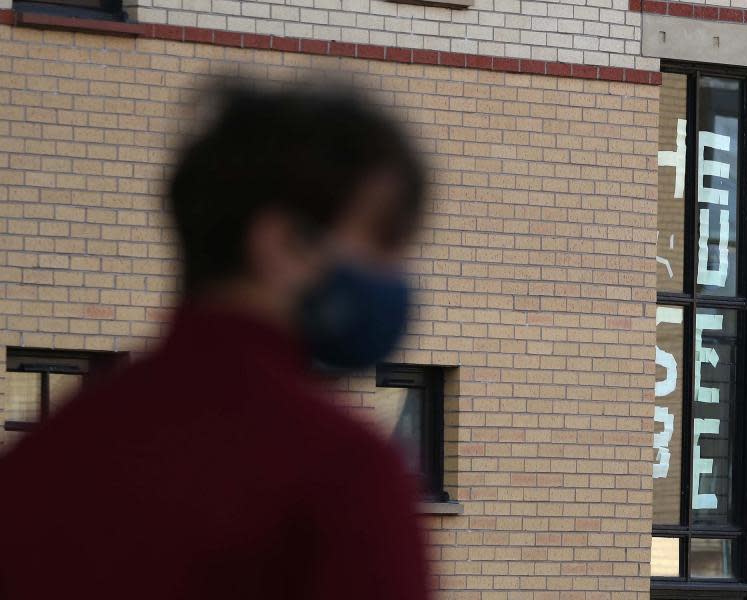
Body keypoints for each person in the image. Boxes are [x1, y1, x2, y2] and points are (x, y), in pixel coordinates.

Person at [0, 79, 430, 599]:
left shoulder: (42, 459)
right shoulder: (343, 475)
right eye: (383, 241)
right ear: (284, 244)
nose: (398, 273)